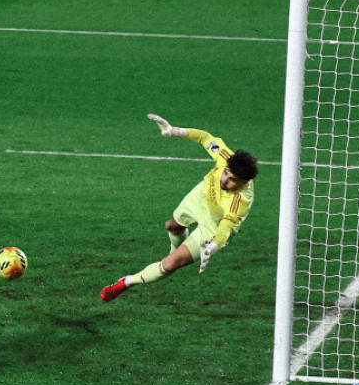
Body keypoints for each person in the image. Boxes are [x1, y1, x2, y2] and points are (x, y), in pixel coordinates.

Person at [100, 114, 258, 302]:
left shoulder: (238, 201)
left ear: (244, 182)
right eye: (226, 174)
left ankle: (125, 282)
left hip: (213, 226)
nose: (225, 180)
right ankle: (174, 249)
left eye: (233, 180)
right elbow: (205, 138)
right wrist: (174, 131)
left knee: (169, 265)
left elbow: (225, 228)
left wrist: (214, 246)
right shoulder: (226, 157)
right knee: (173, 226)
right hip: (201, 196)